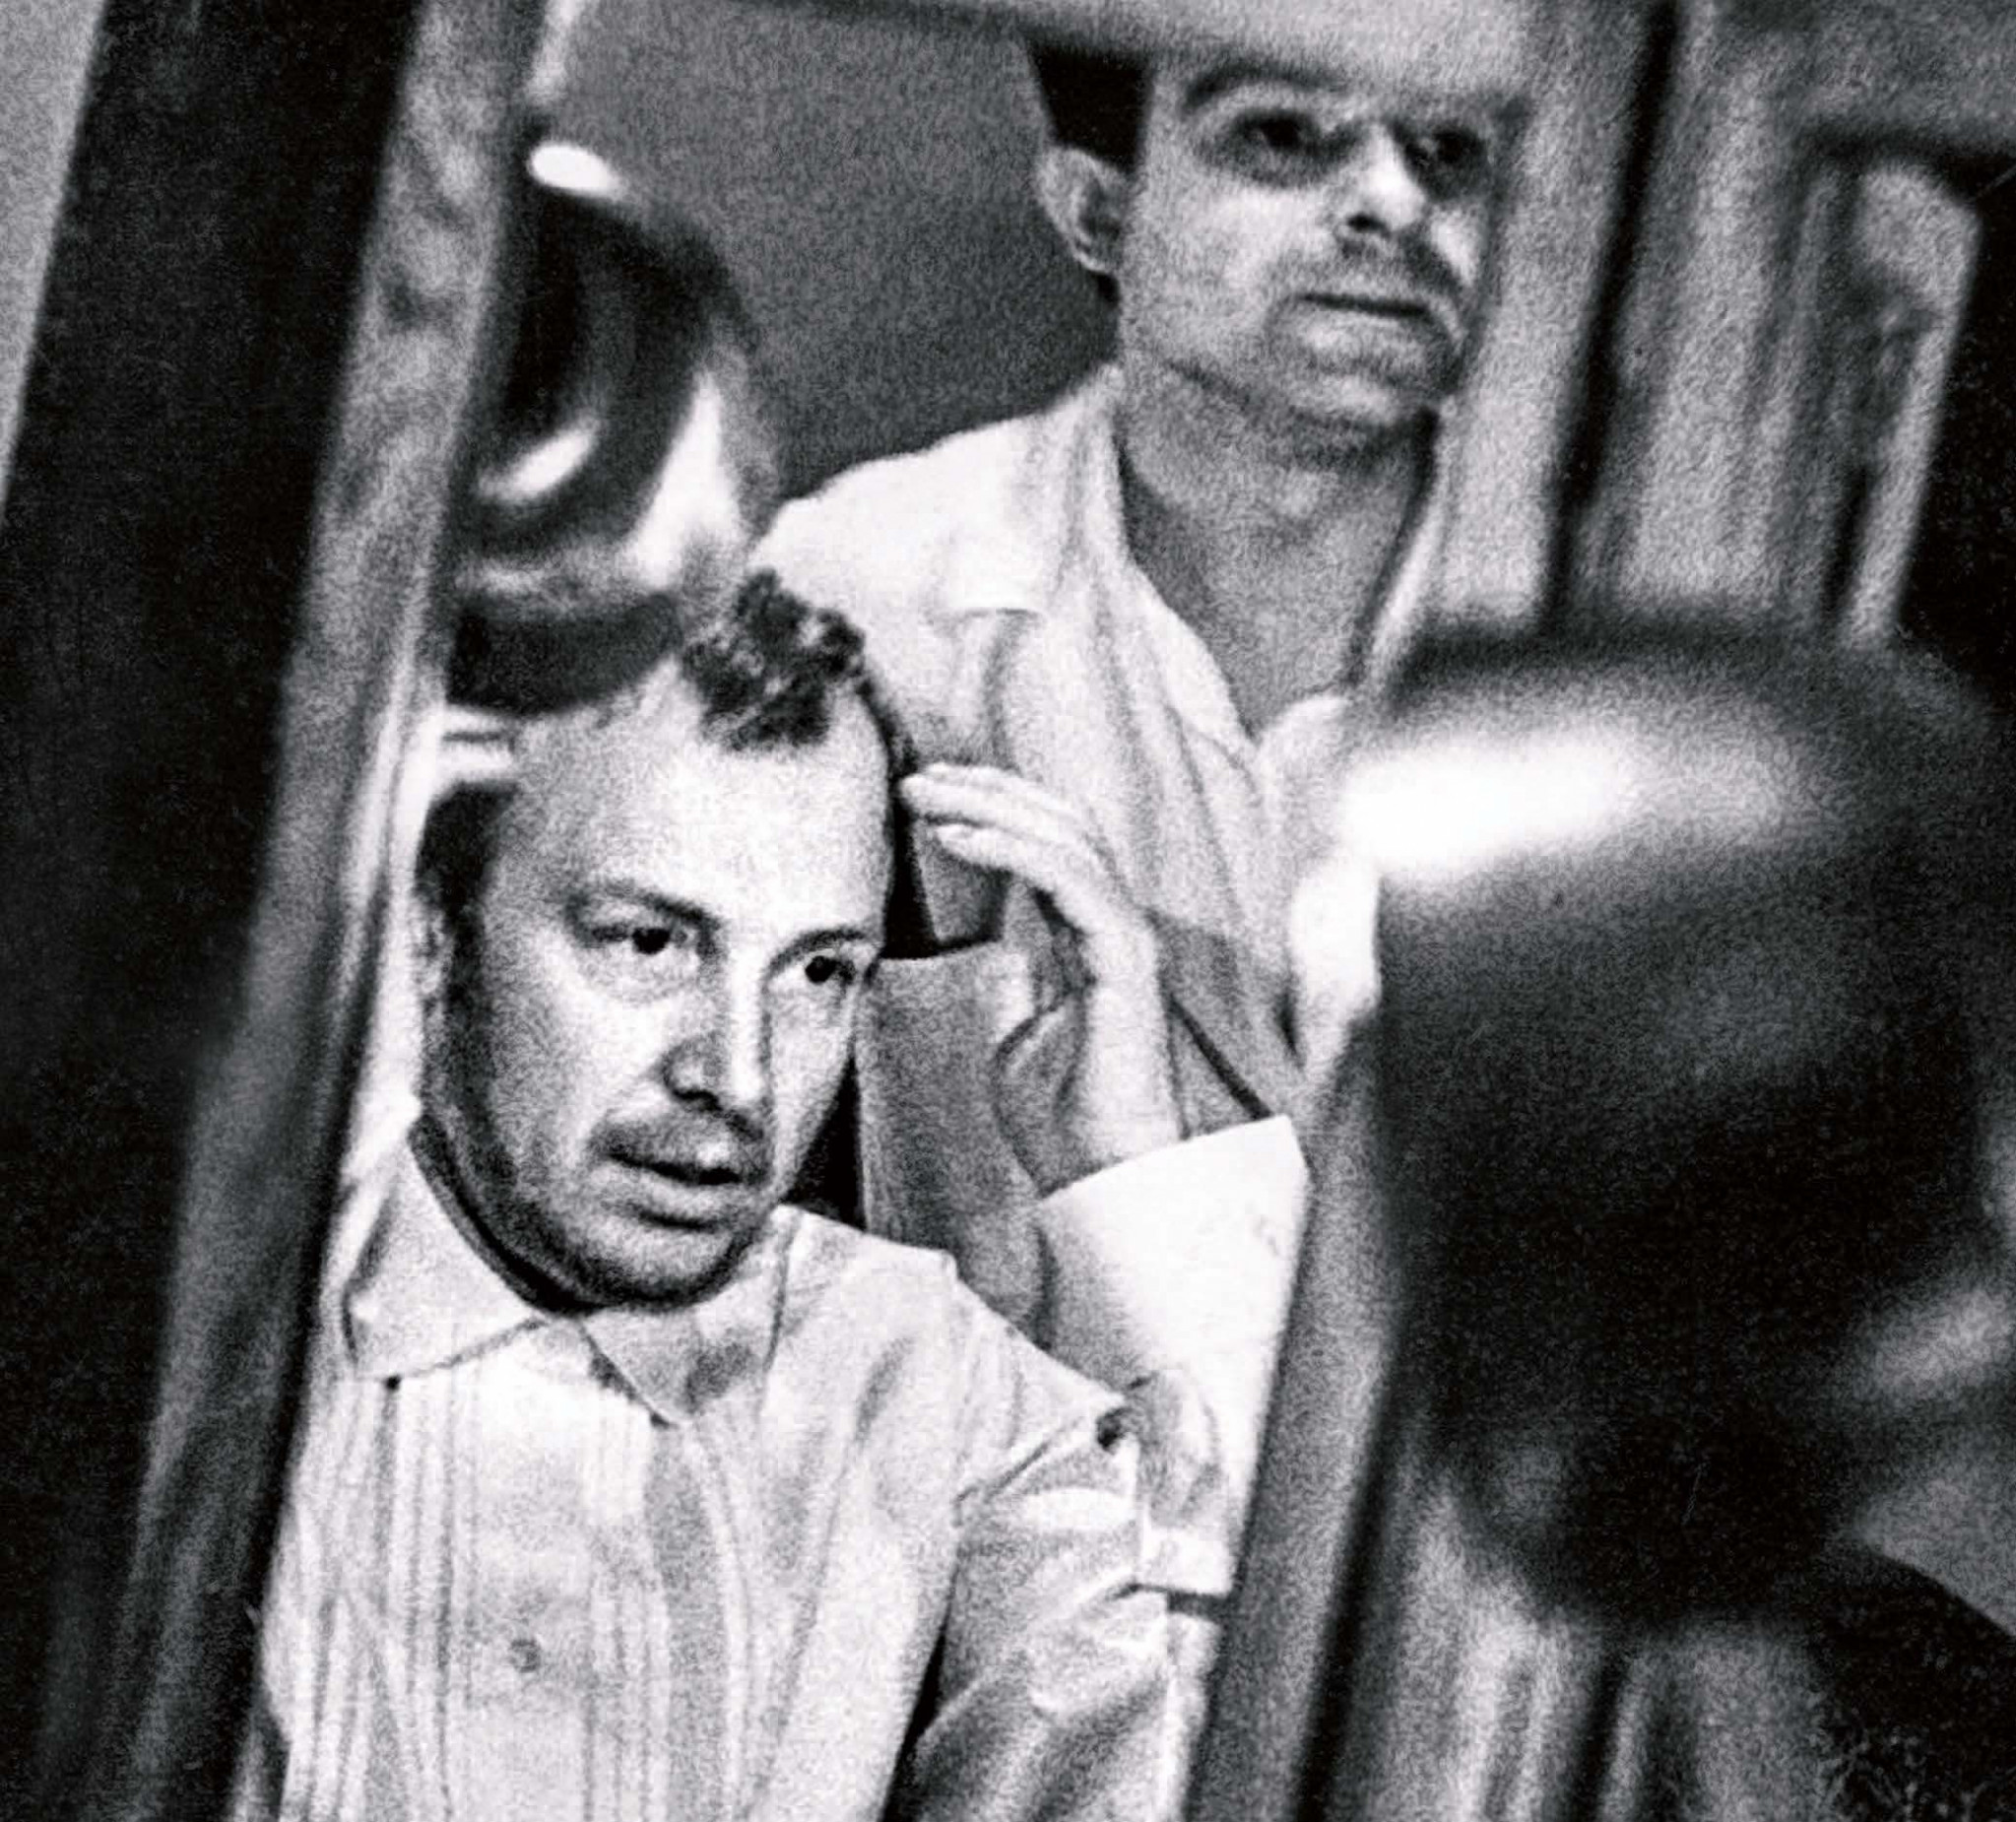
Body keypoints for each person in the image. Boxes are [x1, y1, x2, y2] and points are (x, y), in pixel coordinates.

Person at [231, 574, 1278, 1822]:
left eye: (817, 971)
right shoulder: (184, 1350)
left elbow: (1232, 1762)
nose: (739, 1076)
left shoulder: (925, 1380)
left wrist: (1125, 1171)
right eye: (649, 942)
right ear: (429, 927)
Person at [757, 39, 1498, 1324]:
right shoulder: (856, 599)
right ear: (1099, 211)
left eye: (1448, 150)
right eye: (1281, 134)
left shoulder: (1623, 631)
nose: (1392, 200)